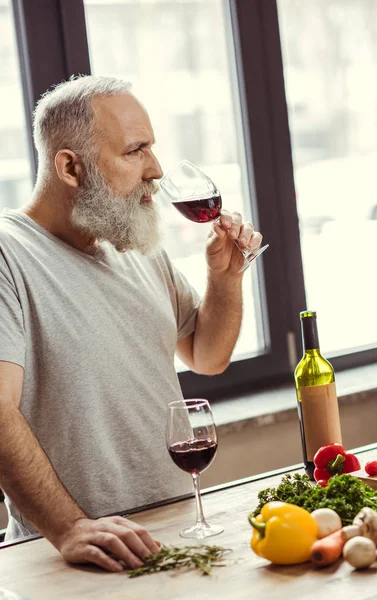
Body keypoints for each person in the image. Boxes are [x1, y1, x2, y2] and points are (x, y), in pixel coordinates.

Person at [0, 75, 263, 572]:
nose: (157, 170)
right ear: (70, 167)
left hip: (174, 531)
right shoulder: (7, 255)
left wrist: (224, 278)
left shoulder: (134, 243)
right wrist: (69, 528)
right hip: (76, 553)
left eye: (153, 149)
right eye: (134, 151)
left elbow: (208, 356)